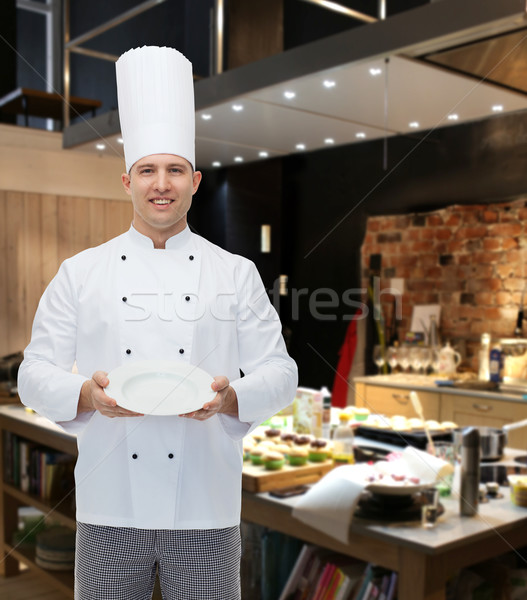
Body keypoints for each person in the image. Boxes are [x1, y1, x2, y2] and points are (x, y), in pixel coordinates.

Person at [18, 46, 297, 600]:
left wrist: (230, 398)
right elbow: (32, 374)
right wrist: (85, 394)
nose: (161, 184)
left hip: (206, 505)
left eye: (174, 170)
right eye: (148, 170)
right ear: (127, 181)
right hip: (108, 504)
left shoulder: (235, 272)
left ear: (195, 180)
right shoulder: (81, 272)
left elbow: (281, 372)